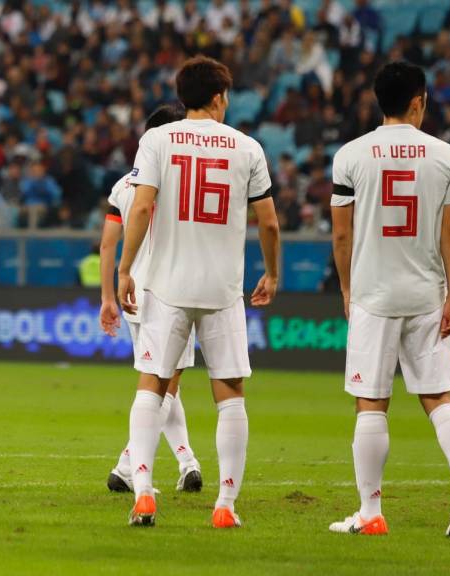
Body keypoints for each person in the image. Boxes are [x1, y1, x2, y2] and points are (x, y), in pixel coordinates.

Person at [118, 56, 280, 527]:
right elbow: (269, 222)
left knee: (152, 384)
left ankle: (143, 493)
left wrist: (126, 270)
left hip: (166, 285)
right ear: (218, 97)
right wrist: (272, 273)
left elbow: (141, 208)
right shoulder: (247, 147)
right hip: (222, 289)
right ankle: (225, 505)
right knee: (230, 393)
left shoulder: (156, 140)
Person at [329, 61, 450, 538]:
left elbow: (341, 235)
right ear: (418, 101)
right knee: (438, 398)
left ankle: (370, 513)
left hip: (374, 294)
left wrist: (347, 289)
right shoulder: (446, 156)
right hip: (426, 294)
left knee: (371, 404)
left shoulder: (351, 155)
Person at [99, 103, 203, 495]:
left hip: (132, 295)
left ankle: (187, 462)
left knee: (162, 383)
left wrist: (107, 296)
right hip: (171, 291)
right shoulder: (181, 182)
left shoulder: (123, 186)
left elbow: (107, 245)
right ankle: (127, 466)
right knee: (165, 386)